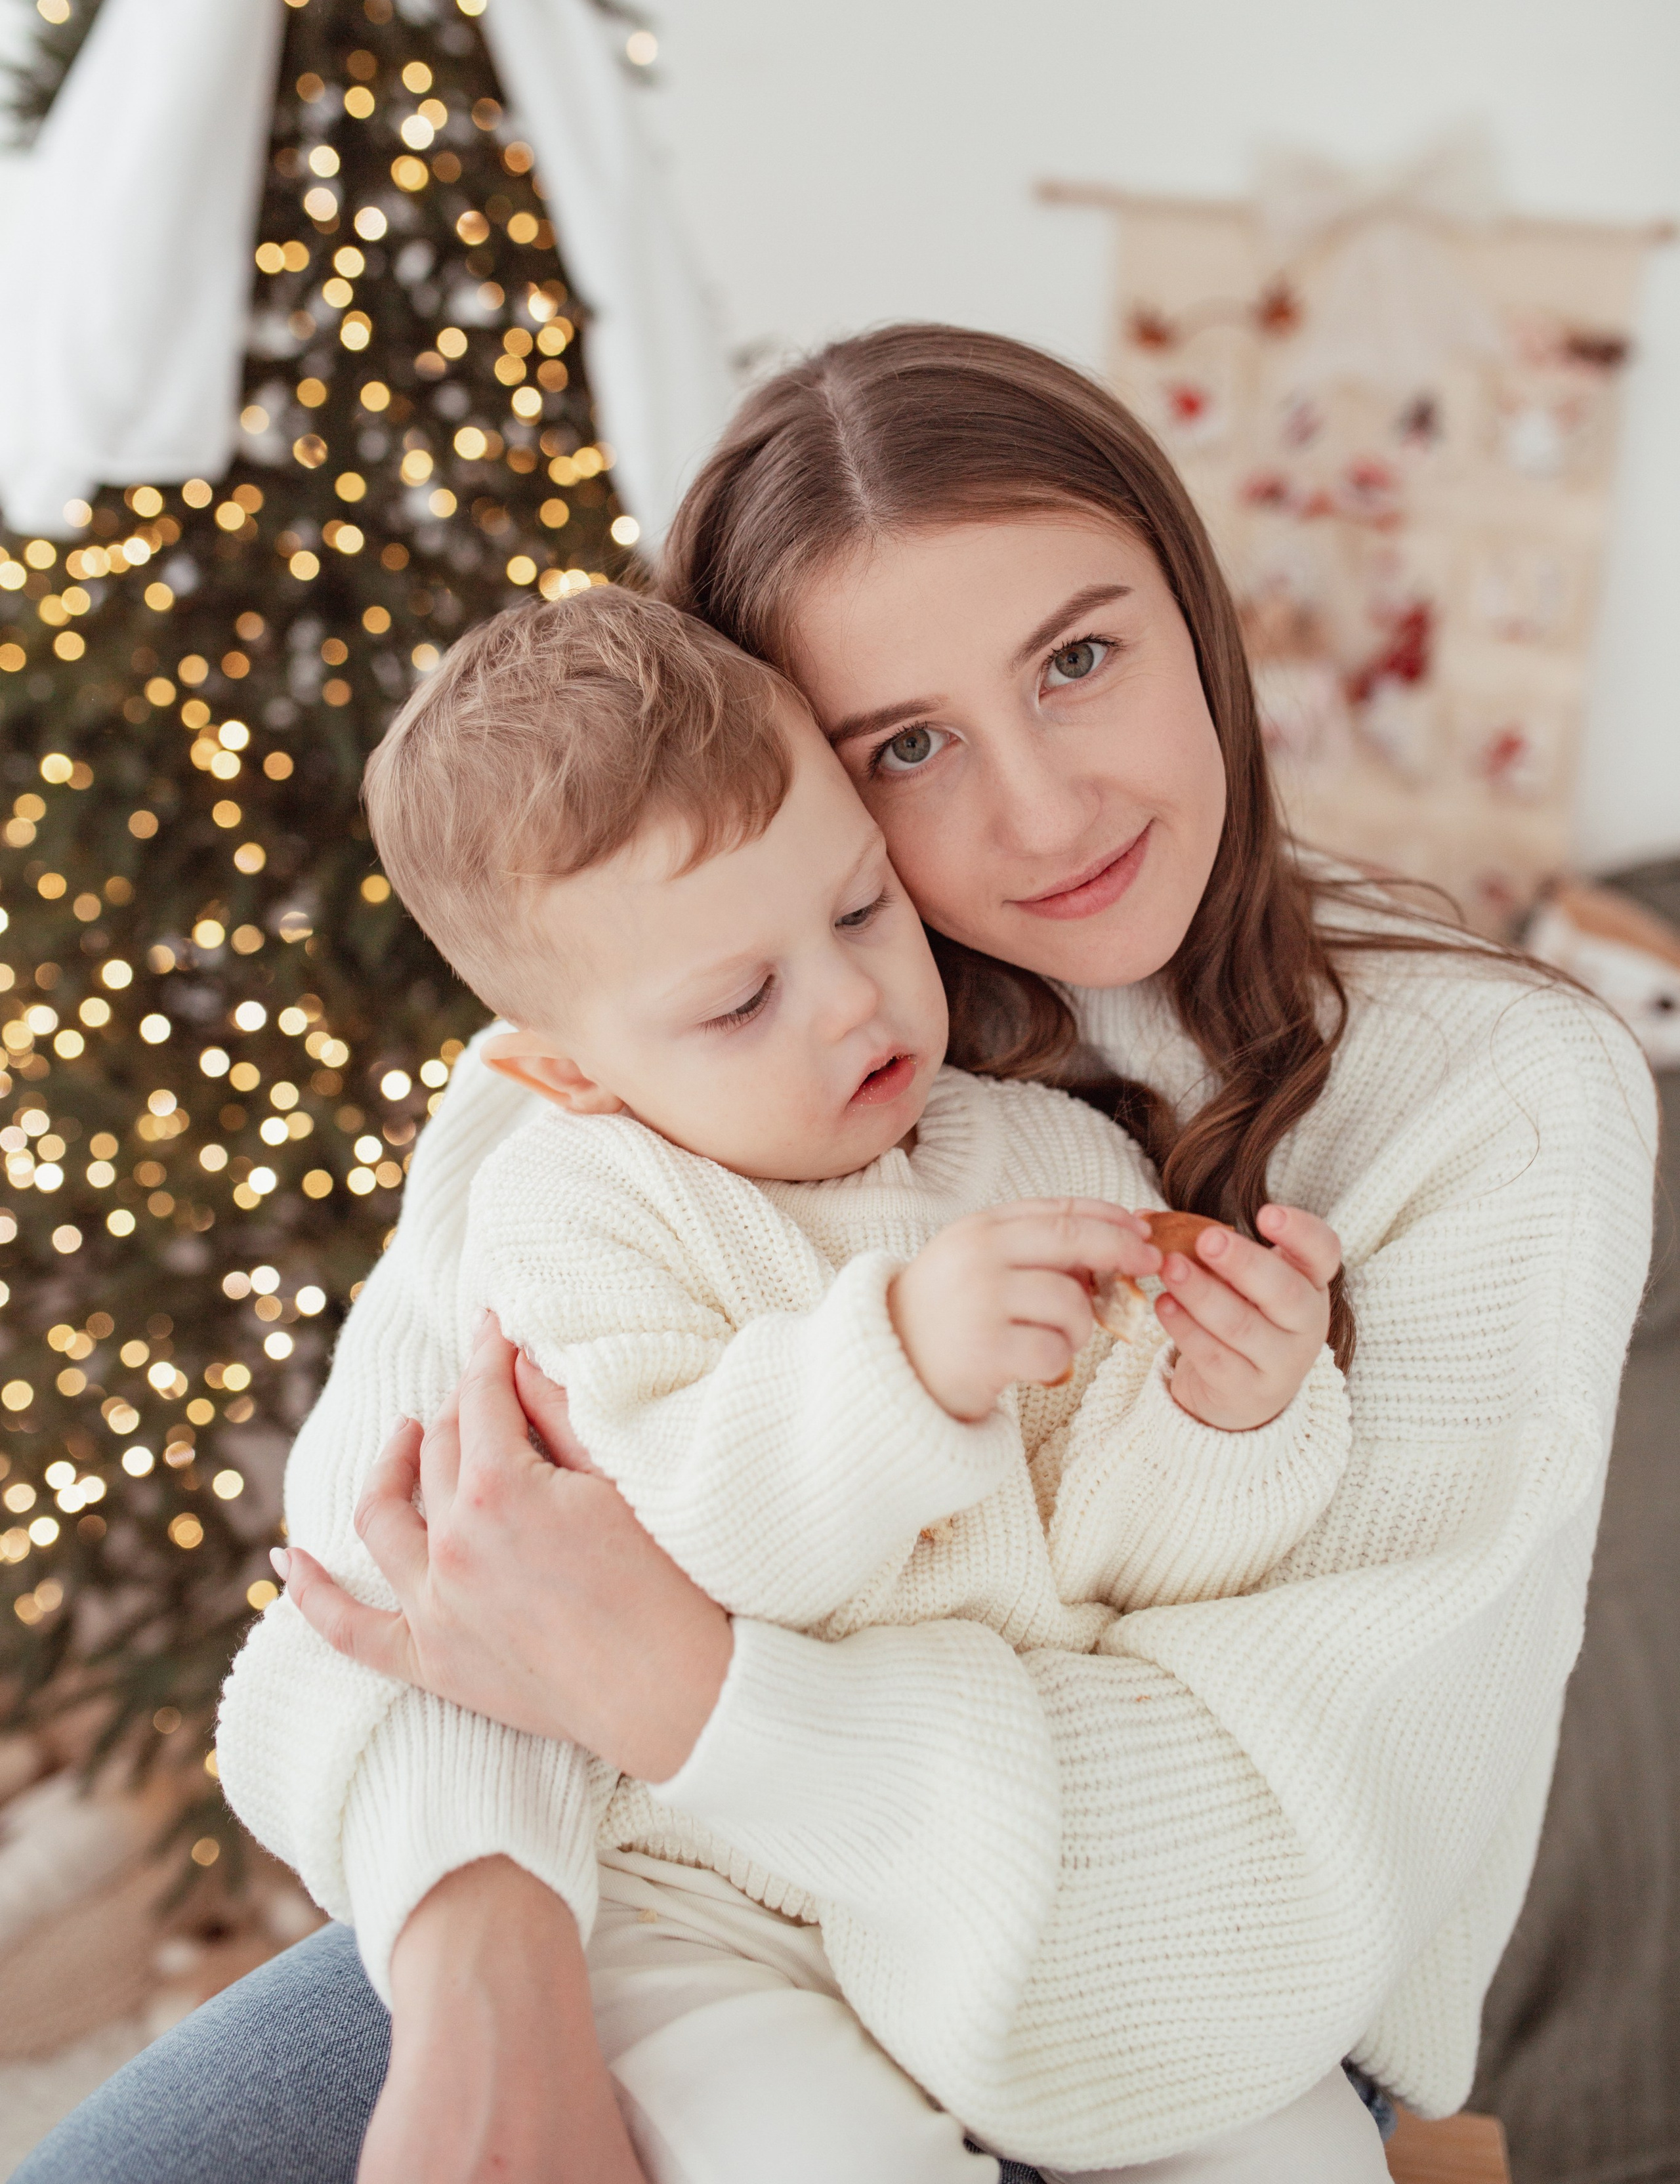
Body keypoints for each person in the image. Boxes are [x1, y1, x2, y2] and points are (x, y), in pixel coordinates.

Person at [18, 327, 1654, 2184]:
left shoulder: (1501, 1098)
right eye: (908, 745)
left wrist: (681, 1684)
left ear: (1196, 610)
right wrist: (497, 1971)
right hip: (676, 1883)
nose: (1041, 814)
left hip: (1186, 1986)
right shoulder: (671, 1027)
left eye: (1083, 657)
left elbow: (1263, 1867)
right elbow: (386, 1582)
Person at [243, 581, 1352, 2182]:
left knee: (1289, 2141)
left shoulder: (1038, 1151)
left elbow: (1119, 1568)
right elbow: (642, 1552)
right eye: (738, 998)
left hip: (990, 1873)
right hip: (698, 1893)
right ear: (562, 1066)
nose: (846, 1002)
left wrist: (1224, 1415)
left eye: (854, 913)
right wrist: (898, 1365)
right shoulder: (578, 1209)